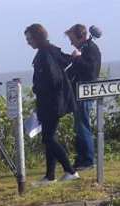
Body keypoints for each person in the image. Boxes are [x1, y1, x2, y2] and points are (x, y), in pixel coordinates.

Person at [24, 24, 80, 184]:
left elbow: (53, 79)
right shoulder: (51, 50)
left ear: (37, 37)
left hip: (51, 103)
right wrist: (74, 56)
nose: (28, 42)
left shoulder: (45, 54)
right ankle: (50, 176)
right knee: (49, 137)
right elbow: (65, 60)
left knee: (48, 138)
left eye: (29, 38)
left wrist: (37, 88)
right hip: (56, 102)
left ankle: (70, 170)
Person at [65, 24, 101, 171]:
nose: (71, 42)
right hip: (79, 93)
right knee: (80, 127)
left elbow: (90, 72)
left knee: (83, 127)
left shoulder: (91, 49)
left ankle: (87, 160)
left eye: (72, 38)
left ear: (80, 36)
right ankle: (82, 159)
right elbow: (73, 71)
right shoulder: (85, 49)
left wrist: (78, 59)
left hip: (85, 93)